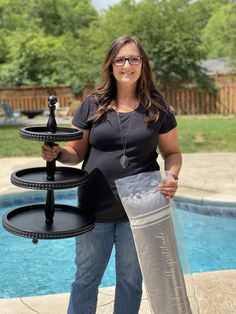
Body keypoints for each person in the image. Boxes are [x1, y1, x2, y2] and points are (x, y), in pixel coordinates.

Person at [41, 35, 182, 314]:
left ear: (143, 64)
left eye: (133, 58)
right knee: (85, 280)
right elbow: (75, 152)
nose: (127, 65)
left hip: (140, 213)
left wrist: (172, 176)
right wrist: (58, 154)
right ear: (111, 64)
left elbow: (173, 154)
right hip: (95, 210)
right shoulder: (92, 104)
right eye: (120, 59)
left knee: (131, 282)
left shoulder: (158, 107)